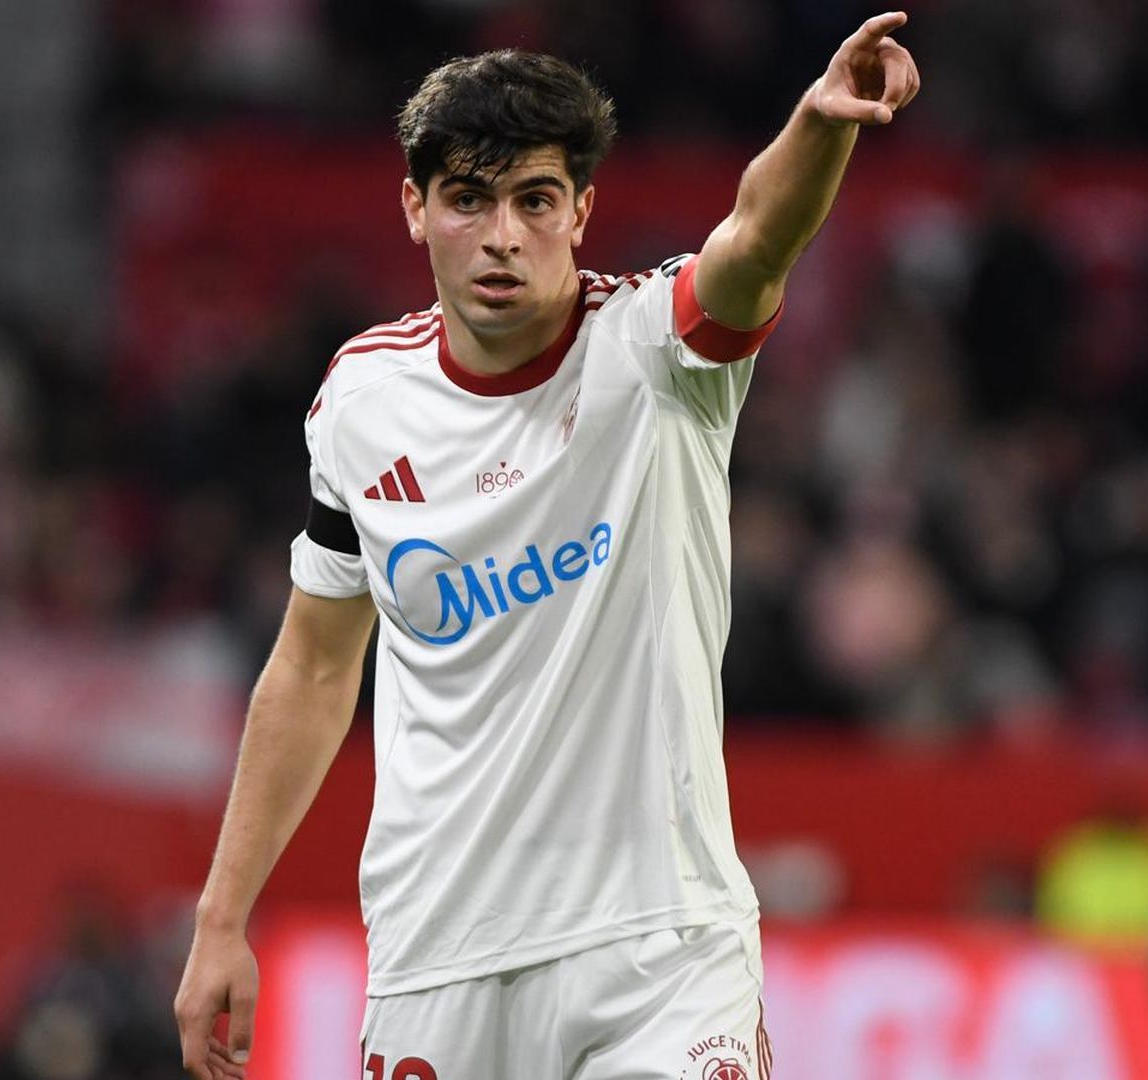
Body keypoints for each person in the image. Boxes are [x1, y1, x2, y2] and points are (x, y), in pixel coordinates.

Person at [173, 15, 920, 1080]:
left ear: (580, 213)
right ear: (415, 209)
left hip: (659, 949)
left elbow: (758, 237)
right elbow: (314, 664)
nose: (502, 236)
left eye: (533, 200)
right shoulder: (360, 403)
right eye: (468, 200)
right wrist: (220, 917)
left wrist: (819, 123)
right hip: (439, 960)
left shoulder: (660, 351)